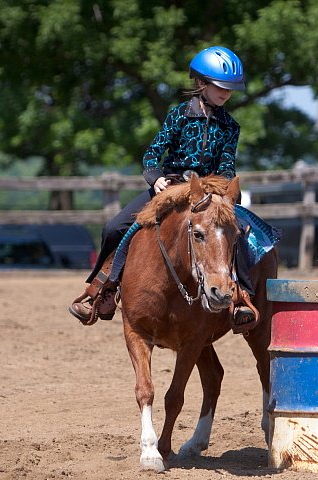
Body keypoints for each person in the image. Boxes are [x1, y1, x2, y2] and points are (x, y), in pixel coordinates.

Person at [69, 46, 257, 326]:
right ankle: (102, 291)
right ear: (201, 83)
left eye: (230, 89)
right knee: (115, 228)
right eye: (221, 87)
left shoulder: (231, 126)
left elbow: (227, 164)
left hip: (210, 193)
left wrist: (222, 191)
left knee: (237, 232)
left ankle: (241, 297)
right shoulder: (179, 115)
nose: (226, 93)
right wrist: (155, 177)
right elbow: (152, 154)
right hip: (169, 188)